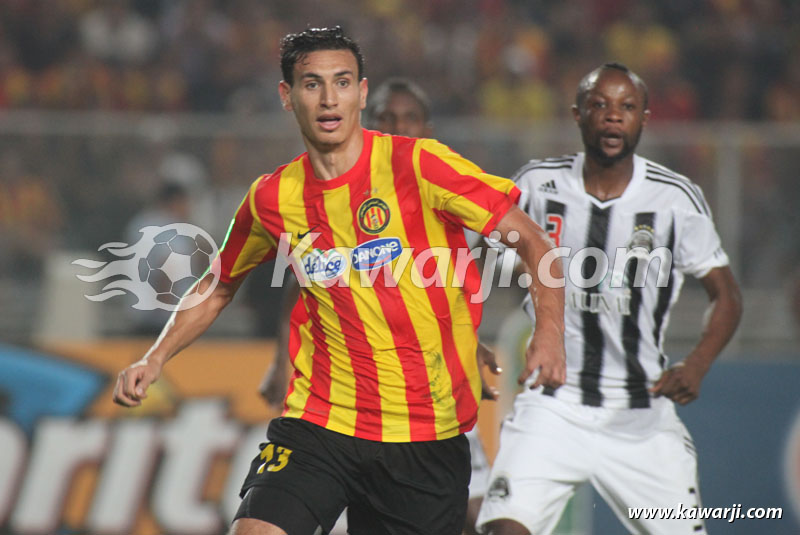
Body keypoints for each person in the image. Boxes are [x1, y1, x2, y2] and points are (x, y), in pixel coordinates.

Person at [112, 27, 566, 535]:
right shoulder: (271, 197)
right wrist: (155, 357)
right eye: (312, 84)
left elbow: (534, 242)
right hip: (321, 423)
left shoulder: (419, 165)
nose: (329, 98)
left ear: (362, 93)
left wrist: (548, 333)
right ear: (287, 96)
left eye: (342, 82)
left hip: (424, 434)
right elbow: (217, 285)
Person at [477, 63, 743, 535]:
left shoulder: (675, 199)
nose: (613, 116)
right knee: (505, 529)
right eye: (600, 105)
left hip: (640, 413)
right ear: (578, 114)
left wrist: (697, 364)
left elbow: (726, 296)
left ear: (644, 119)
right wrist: (469, 329)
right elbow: (478, 259)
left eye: (627, 107)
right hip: (552, 404)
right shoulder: (536, 184)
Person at [257, 77, 497, 535]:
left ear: (427, 128)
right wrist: (278, 361)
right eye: (387, 117)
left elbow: (470, 284)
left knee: (479, 517)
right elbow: (305, 279)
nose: (398, 126)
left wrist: (472, 342)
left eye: (410, 118)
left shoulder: (451, 185)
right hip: (357, 396)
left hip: (435, 396)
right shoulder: (348, 190)